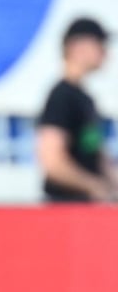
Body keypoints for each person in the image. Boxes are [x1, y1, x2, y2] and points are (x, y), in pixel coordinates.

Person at [36, 17, 116, 202]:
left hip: (86, 210)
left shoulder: (85, 99)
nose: (105, 52)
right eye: (100, 44)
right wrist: (94, 185)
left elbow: (96, 154)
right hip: (66, 212)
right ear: (77, 47)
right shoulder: (61, 96)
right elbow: (52, 161)